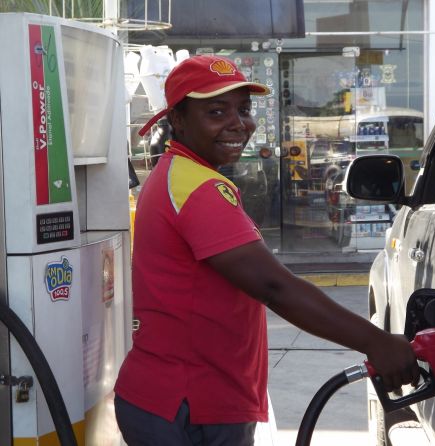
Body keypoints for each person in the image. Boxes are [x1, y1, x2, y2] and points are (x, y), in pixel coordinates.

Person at [114, 54, 419, 446]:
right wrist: (377, 343)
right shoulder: (197, 188)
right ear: (178, 119)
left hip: (182, 397)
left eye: (243, 109)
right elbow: (275, 287)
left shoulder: (179, 175)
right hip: (190, 404)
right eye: (216, 110)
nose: (237, 124)